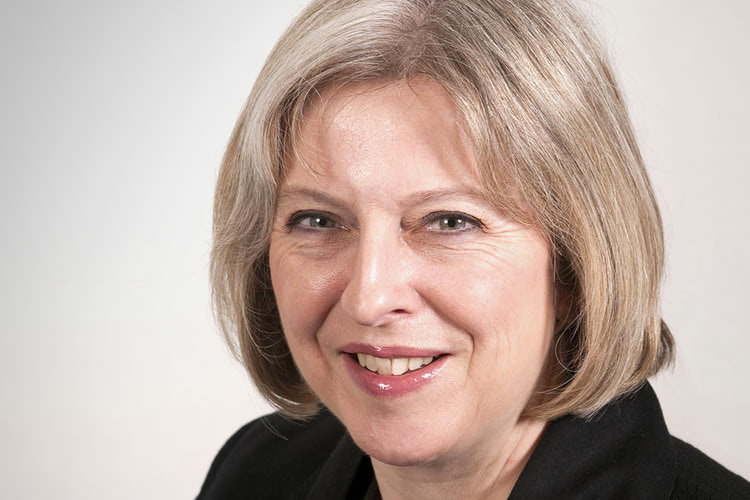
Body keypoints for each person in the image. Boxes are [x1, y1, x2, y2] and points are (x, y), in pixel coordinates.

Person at [198, 0, 750, 498]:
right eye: (318, 221)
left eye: (449, 222)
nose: (369, 299)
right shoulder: (255, 472)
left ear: (575, 265)